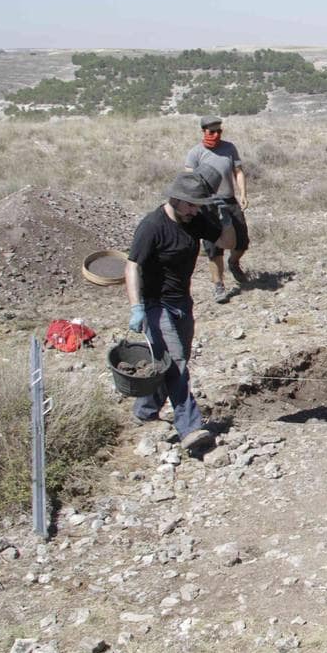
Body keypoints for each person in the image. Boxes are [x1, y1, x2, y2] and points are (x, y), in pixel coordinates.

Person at [125, 170, 236, 453]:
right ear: (175, 199)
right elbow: (132, 266)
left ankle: (145, 411)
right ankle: (190, 428)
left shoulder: (194, 220)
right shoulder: (152, 226)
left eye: (199, 204)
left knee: (174, 361)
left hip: (182, 304)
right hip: (155, 305)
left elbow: (227, 243)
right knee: (176, 365)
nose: (195, 209)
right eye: (191, 204)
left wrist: (225, 219)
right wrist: (137, 307)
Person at [184, 115, 250, 304]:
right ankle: (218, 285)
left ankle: (234, 263)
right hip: (208, 206)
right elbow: (190, 181)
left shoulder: (229, 148)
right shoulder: (195, 153)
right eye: (212, 132)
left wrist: (243, 193)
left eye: (219, 131)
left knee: (242, 241)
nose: (216, 135)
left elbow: (238, 172)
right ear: (203, 132)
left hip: (230, 201)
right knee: (214, 249)